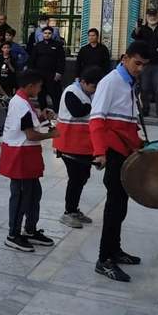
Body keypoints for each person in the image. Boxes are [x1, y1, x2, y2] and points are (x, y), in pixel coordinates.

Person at [89, 41, 149, 282]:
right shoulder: (110, 82)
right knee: (114, 208)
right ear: (125, 58)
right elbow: (96, 120)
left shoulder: (130, 83)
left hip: (127, 153)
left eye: (144, 65)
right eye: (137, 63)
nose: (140, 68)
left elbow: (126, 122)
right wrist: (100, 152)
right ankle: (104, 259)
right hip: (113, 154)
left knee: (121, 205)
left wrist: (139, 142)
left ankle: (115, 250)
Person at [0, 70, 59, 252]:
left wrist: (41, 117)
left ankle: (30, 230)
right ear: (30, 86)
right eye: (39, 86)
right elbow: (31, 134)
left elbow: (27, 124)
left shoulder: (23, 100)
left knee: (33, 194)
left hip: (27, 153)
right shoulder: (21, 105)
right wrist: (52, 135)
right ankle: (13, 235)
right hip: (20, 154)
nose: (40, 90)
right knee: (21, 196)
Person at [55, 66, 104, 229]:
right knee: (75, 178)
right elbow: (78, 111)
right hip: (69, 143)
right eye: (93, 87)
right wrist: (95, 105)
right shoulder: (71, 91)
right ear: (83, 82)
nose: (95, 90)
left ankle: (74, 209)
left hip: (84, 145)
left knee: (83, 177)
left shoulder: (91, 93)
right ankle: (68, 212)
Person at [132, 9, 158, 117]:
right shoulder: (142, 29)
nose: (152, 17)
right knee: (144, 87)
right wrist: (137, 27)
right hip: (145, 63)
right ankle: (145, 109)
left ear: (157, 16)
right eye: (150, 15)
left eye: (154, 15)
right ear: (147, 16)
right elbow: (135, 36)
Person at [29, 26, 66, 111]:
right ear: (42, 34)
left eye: (49, 33)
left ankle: (57, 113)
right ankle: (44, 113)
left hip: (53, 75)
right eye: (45, 33)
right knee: (41, 96)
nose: (47, 35)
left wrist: (59, 72)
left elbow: (61, 60)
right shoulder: (38, 45)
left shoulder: (58, 45)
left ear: (52, 34)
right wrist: (33, 74)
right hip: (40, 75)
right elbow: (32, 60)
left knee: (56, 96)